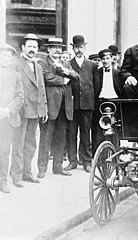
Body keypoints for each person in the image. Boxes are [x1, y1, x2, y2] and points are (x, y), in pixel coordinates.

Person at [37, 38, 80, 178]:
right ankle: (42, 168)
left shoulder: (65, 63)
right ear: (48, 49)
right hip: (50, 106)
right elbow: (46, 77)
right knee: (46, 137)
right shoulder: (42, 62)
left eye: (59, 47)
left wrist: (65, 71)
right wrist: (64, 80)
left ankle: (58, 167)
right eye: (54, 47)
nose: (57, 50)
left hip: (64, 106)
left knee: (61, 138)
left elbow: (77, 76)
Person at [9, 33, 48, 188]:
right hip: (21, 111)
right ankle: (16, 176)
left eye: (34, 46)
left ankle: (27, 173)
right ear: (23, 47)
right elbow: (11, 89)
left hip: (35, 111)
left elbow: (42, 88)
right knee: (18, 144)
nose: (32, 49)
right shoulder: (15, 64)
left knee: (31, 144)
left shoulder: (38, 66)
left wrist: (43, 110)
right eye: (29, 46)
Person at [0, 43, 24, 196]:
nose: (6, 58)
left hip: (7, 117)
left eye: (9, 56)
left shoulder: (15, 75)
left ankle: (2, 182)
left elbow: (20, 97)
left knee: (4, 151)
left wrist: (8, 110)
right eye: (3, 55)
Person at [65, 35, 97, 173]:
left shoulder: (92, 65)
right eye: (76, 47)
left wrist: (92, 101)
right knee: (71, 133)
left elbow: (96, 85)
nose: (79, 50)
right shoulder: (68, 64)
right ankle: (72, 161)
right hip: (72, 104)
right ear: (73, 48)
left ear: (85, 48)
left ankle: (87, 161)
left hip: (87, 104)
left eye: (81, 47)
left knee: (85, 133)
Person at [92, 48, 122, 155]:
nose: (105, 61)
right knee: (99, 129)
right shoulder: (97, 72)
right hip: (101, 102)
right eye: (103, 59)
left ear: (111, 59)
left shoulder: (117, 73)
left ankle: (115, 154)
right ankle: (100, 156)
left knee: (115, 128)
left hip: (114, 102)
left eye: (107, 58)